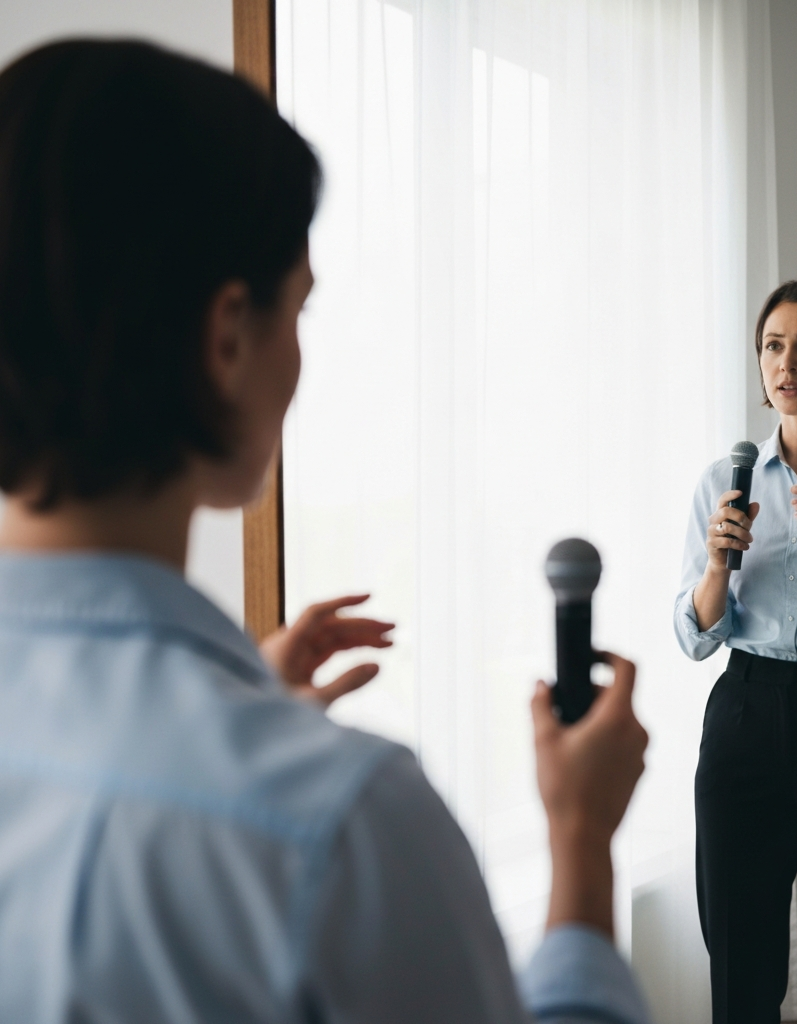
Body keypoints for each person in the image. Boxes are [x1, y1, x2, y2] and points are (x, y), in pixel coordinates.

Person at [0, 40, 651, 1024]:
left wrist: (229, 702)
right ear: (226, 339)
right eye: (297, 306)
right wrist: (579, 838)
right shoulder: (341, 826)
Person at [674, 278, 797, 1024]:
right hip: (743, 711)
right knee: (740, 958)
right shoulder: (723, 481)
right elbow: (694, 634)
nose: (788, 364)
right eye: (773, 346)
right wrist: (716, 566)